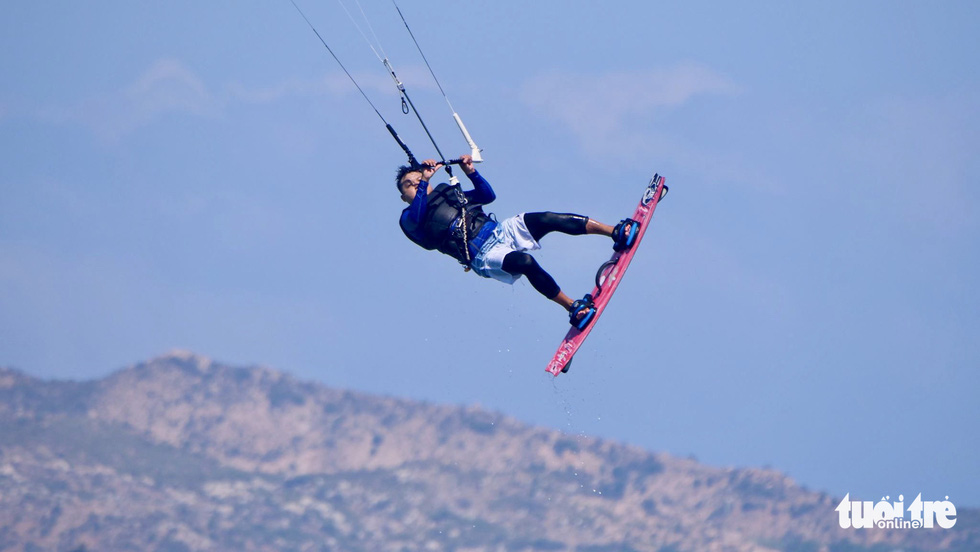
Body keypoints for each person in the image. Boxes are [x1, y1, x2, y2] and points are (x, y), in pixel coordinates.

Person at [397, 155, 638, 329]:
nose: (417, 183)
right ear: (402, 195)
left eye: (418, 179)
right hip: (483, 256)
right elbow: (418, 213)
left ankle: (614, 231)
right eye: (410, 184)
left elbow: (487, 196)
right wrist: (424, 182)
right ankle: (572, 307)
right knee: (525, 261)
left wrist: (471, 171)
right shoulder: (409, 220)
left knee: (547, 218)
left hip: (499, 231)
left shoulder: (445, 192)